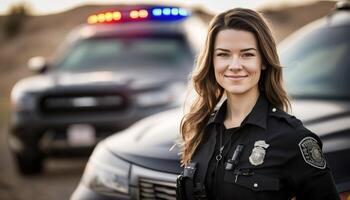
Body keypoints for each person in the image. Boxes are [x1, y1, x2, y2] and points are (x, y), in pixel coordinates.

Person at [176, 7, 340, 200]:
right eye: (223, 54)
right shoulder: (201, 127)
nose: (235, 66)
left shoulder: (292, 138)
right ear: (211, 61)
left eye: (247, 54)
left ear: (263, 61)